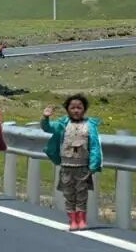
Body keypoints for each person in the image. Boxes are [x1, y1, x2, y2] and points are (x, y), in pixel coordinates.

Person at [41, 94, 102, 231]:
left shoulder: (89, 126)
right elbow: (48, 128)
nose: (76, 110)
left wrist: (93, 164)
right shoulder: (62, 124)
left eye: (79, 108)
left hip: (83, 167)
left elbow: (94, 146)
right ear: (67, 109)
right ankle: (72, 220)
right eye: (72, 107)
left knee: (82, 194)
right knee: (68, 194)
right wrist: (45, 118)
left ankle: (82, 220)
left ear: (84, 109)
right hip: (66, 166)